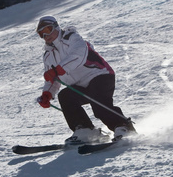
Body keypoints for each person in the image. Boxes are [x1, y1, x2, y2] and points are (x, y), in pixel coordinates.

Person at [35, 16, 136, 145]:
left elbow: (78, 56)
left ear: (56, 27)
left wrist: (57, 70)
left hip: (99, 75)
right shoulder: (48, 55)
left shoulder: (72, 38)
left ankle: (123, 126)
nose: (45, 35)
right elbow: (52, 78)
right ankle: (85, 130)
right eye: (41, 34)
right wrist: (47, 94)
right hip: (79, 85)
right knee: (65, 96)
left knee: (98, 102)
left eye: (48, 30)